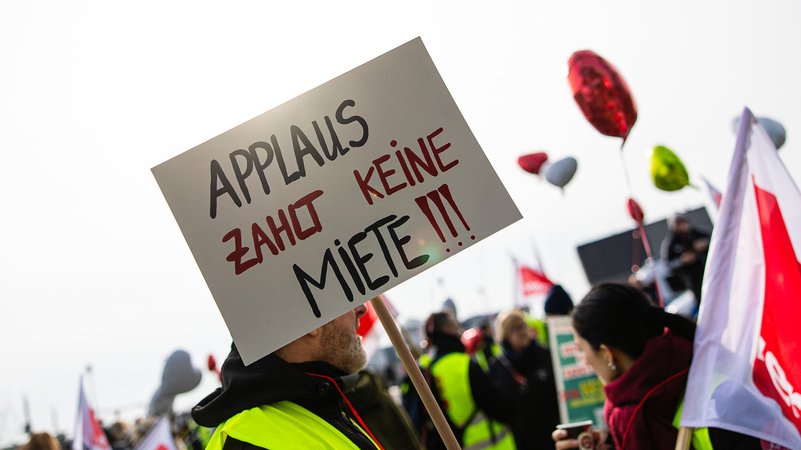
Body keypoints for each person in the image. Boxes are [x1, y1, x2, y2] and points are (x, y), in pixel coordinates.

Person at [552, 283, 762, 450]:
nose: (584, 361)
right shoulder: (631, 413)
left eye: (582, 350)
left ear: (608, 353)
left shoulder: (720, 402)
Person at [192, 304, 383, 449]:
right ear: (309, 318)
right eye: (345, 296)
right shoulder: (250, 441)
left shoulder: (321, 402)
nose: (362, 308)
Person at [412, 311, 516, 450]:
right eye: (455, 323)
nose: (459, 327)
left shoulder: (429, 371)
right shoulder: (464, 364)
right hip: (495, 444)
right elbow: (500, 408)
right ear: (447, 328)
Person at [491, 309, 560, 450]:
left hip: (553, 431)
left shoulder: (544, 354)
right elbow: (501, 404)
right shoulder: (498, 365)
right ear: (505, 335)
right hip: (525, 438)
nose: (522, 331)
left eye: (523, 325)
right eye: (515, 329)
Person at [660, 213, 710, 304]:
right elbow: (667, 264)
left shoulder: (695, 233)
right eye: (679, 223)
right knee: (703, 302)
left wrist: (705, 243)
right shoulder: (670, 242)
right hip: (692, 280)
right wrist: (682, 260)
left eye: (684, 222)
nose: (683, 225)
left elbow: (714, 238)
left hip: (709, 272)